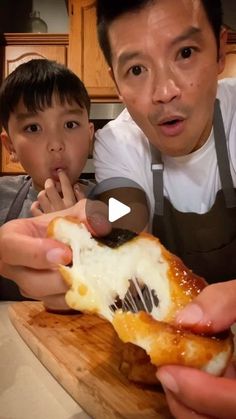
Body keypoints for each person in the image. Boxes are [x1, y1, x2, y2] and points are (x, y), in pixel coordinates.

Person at [94, 0, 236, 284]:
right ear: (116, 84)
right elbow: (124, 213)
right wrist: (99, 227)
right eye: (136, 70)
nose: (164, 92)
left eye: (185, 53)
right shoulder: (117, 142)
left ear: (220, 51)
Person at [0, 58, 94, 299]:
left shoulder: (114, 201)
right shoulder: (2, 196)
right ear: (10, 146)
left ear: (90, 135)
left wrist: (78, 228)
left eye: (70, 124)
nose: (55, 145)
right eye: (33, 128)